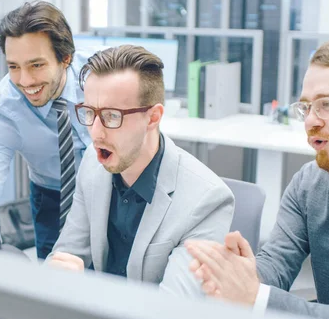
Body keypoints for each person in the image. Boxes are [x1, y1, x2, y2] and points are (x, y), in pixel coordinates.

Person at [186, 39, 329, 318]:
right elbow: (276, 264)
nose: (310, 121)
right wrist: (244, 275)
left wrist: (256, 296)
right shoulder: (309, 184)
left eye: (327, 104)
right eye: (306, 107)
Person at [47, 45, 234, 295]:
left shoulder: (207, 200)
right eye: (90, 112)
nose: (95, 132)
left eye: (112, 116)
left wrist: (85, 293)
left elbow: (172, 309)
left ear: (153, 117)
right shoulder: (93, 162)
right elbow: (65, 254)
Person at [0, 1, 92, 259]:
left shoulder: (100, 76)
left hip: (114, 191)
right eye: (14, 67)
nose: (25, 81)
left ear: (65, 58)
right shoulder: (7, 108)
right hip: (53, 195)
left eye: (36, 65)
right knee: (54, 278)